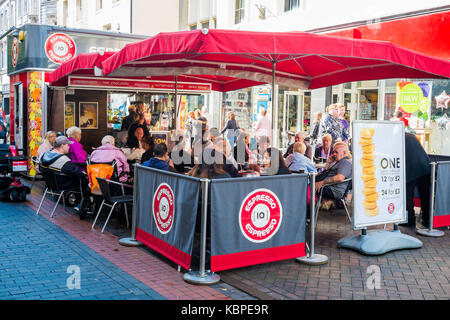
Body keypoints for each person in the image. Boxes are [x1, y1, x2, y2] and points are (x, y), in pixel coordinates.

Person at [40, 136, 91, 214]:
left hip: (50, 184)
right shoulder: (63, 160)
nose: (69, 147)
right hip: (62, 185)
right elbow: (78, 173)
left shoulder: (44, 155)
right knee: (83, 180)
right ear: (62, 146)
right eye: (68, 145)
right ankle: (82, 204)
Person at [402, 132, 431, 228]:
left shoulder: (398, 138)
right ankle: (428, 220)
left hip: (411, 168)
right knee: (425, 195)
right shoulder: (411, 135)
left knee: (408, 195)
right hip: (425, 166)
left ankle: (409, 221)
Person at [314, 142, 352, 207]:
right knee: (305, 186)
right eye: (333, 152)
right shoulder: (338, 161)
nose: (334, 154)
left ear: (344, 153)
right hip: (329, 187)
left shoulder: (345, 162)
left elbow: (340, 178)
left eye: (336, 152)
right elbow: (325, 172)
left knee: (306, 189)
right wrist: (329, 162)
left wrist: (322, 183)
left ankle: (307, 212)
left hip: (334, 190)